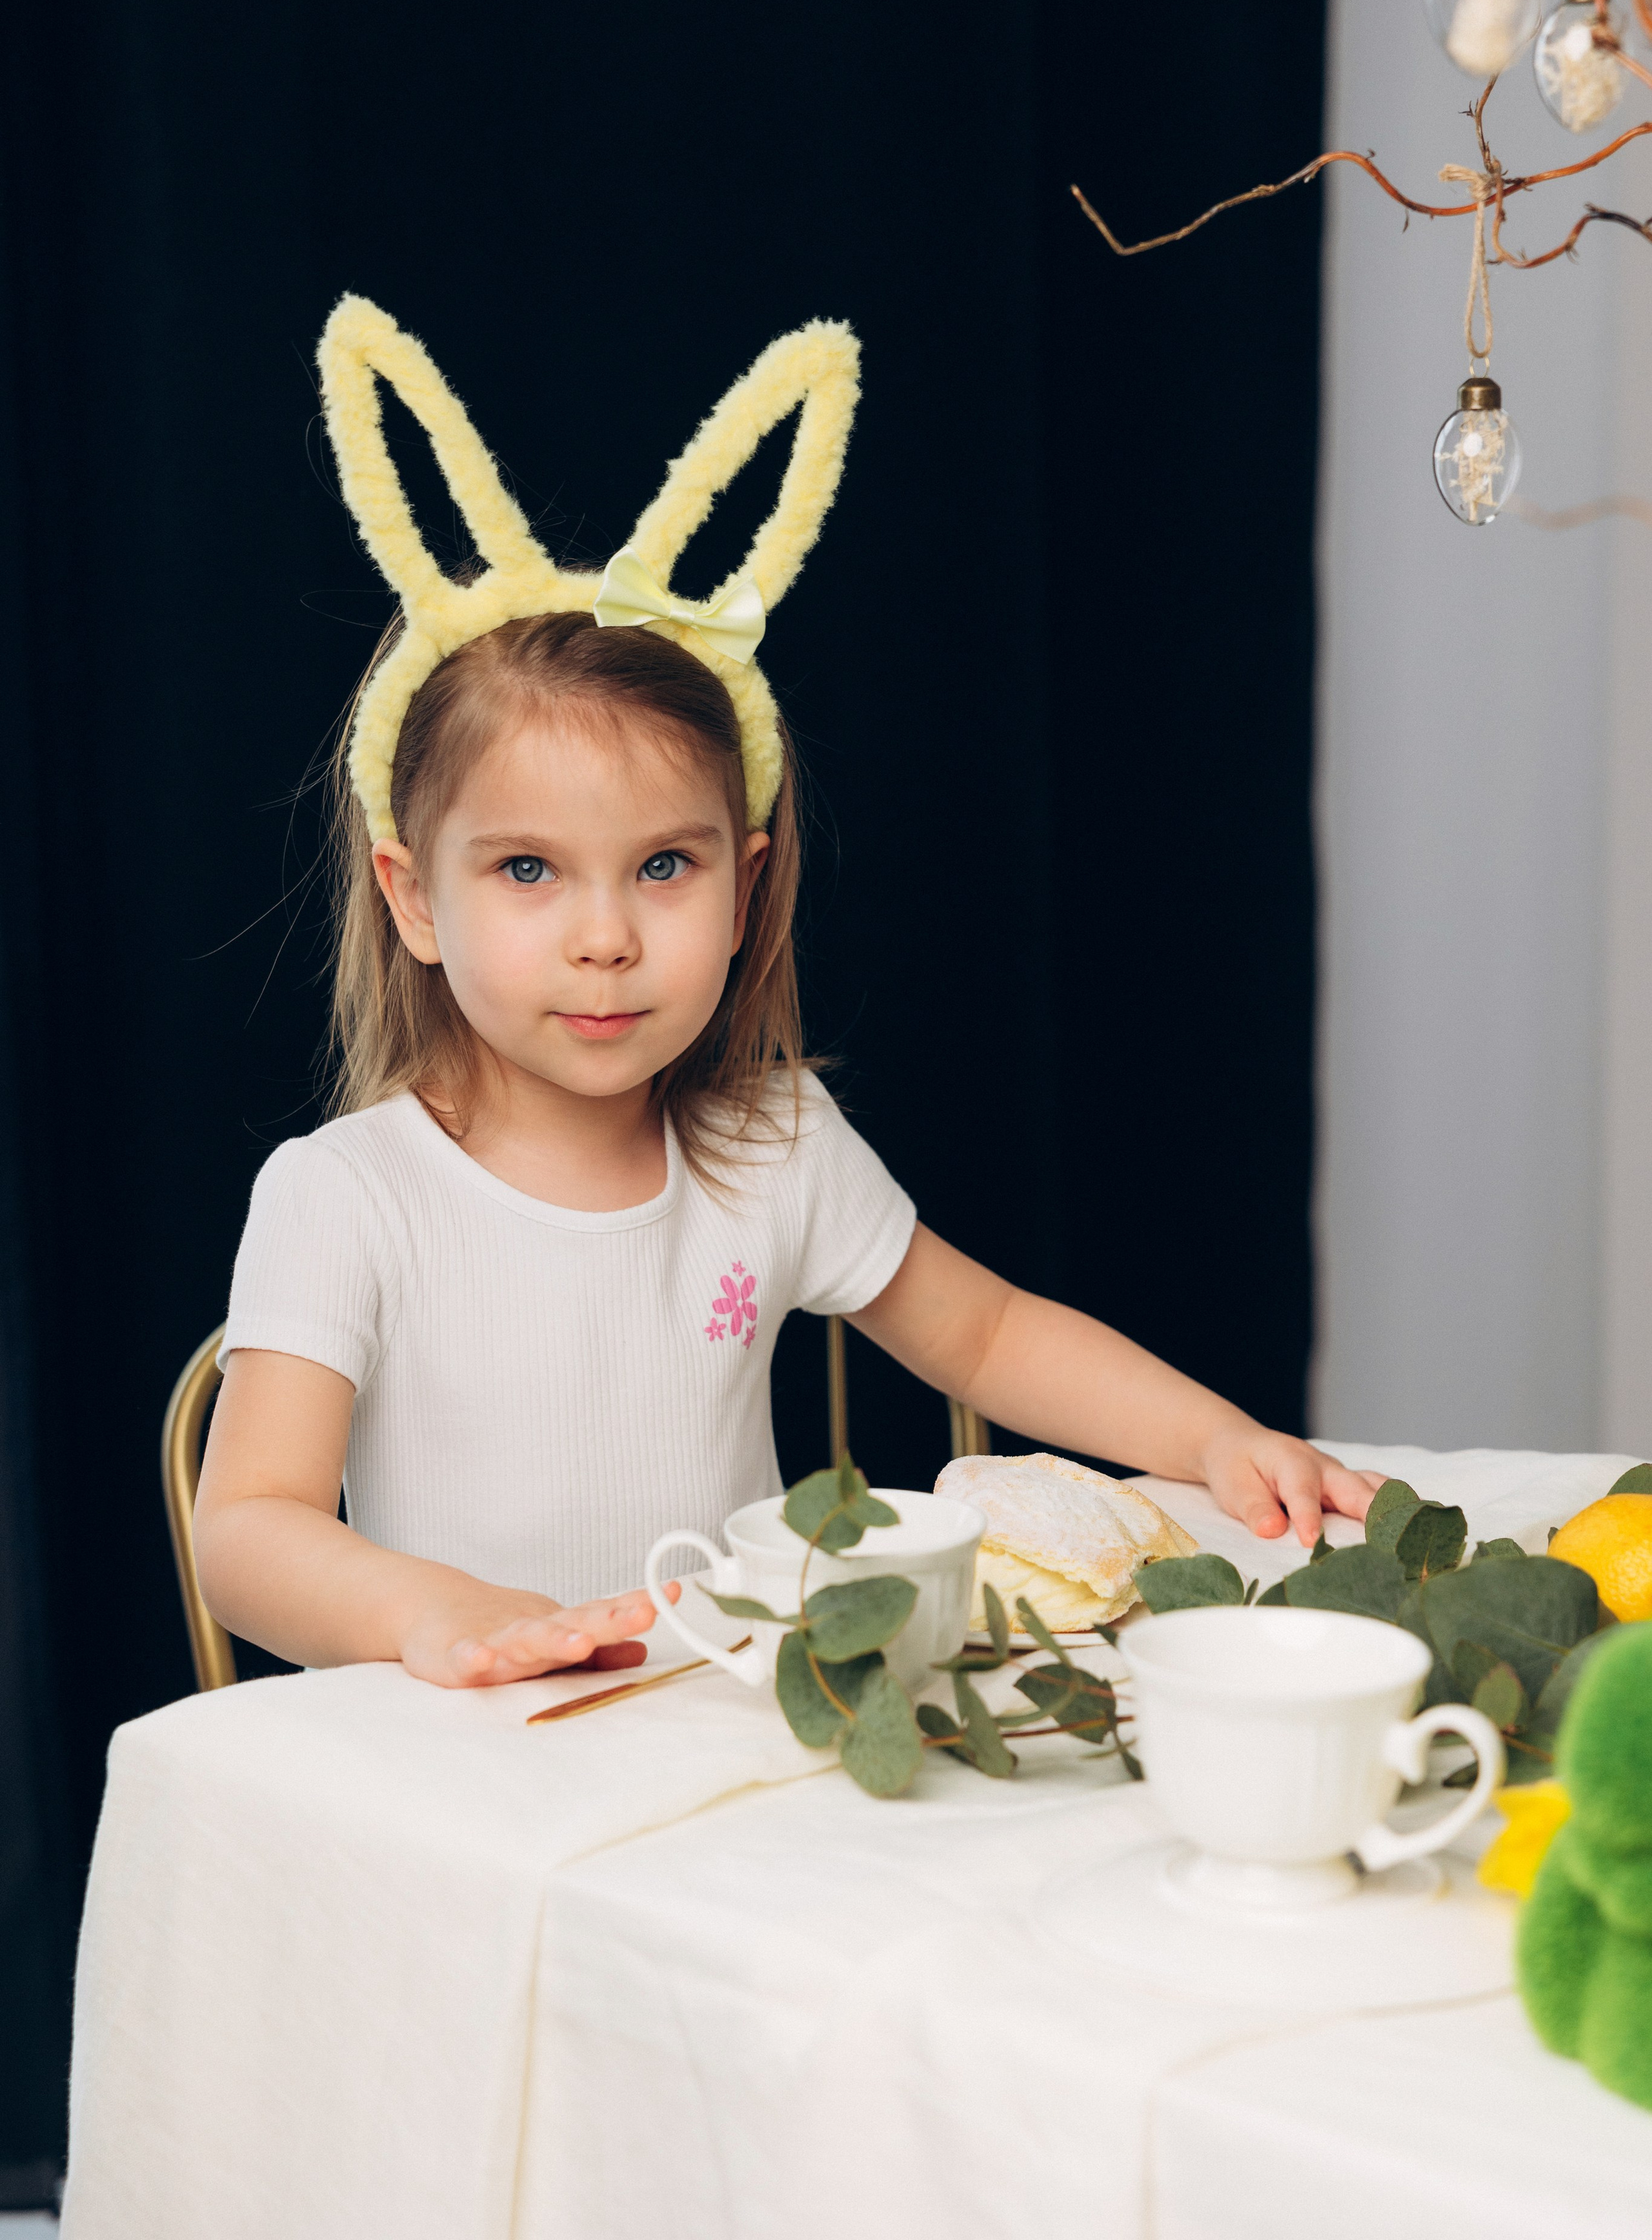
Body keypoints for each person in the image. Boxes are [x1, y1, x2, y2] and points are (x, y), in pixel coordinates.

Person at [193, 298, 1382, 1692]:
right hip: (485, 1774)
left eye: (660, 867)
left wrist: (1209, 1439)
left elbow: (984, 1332)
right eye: (526, 868)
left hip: (732, 1745)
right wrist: (438, 1614)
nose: (604, 937)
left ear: (743, 881)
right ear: (412, 900)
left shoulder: (770, 1145)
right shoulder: (348, 1195)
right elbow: (248, 1528)